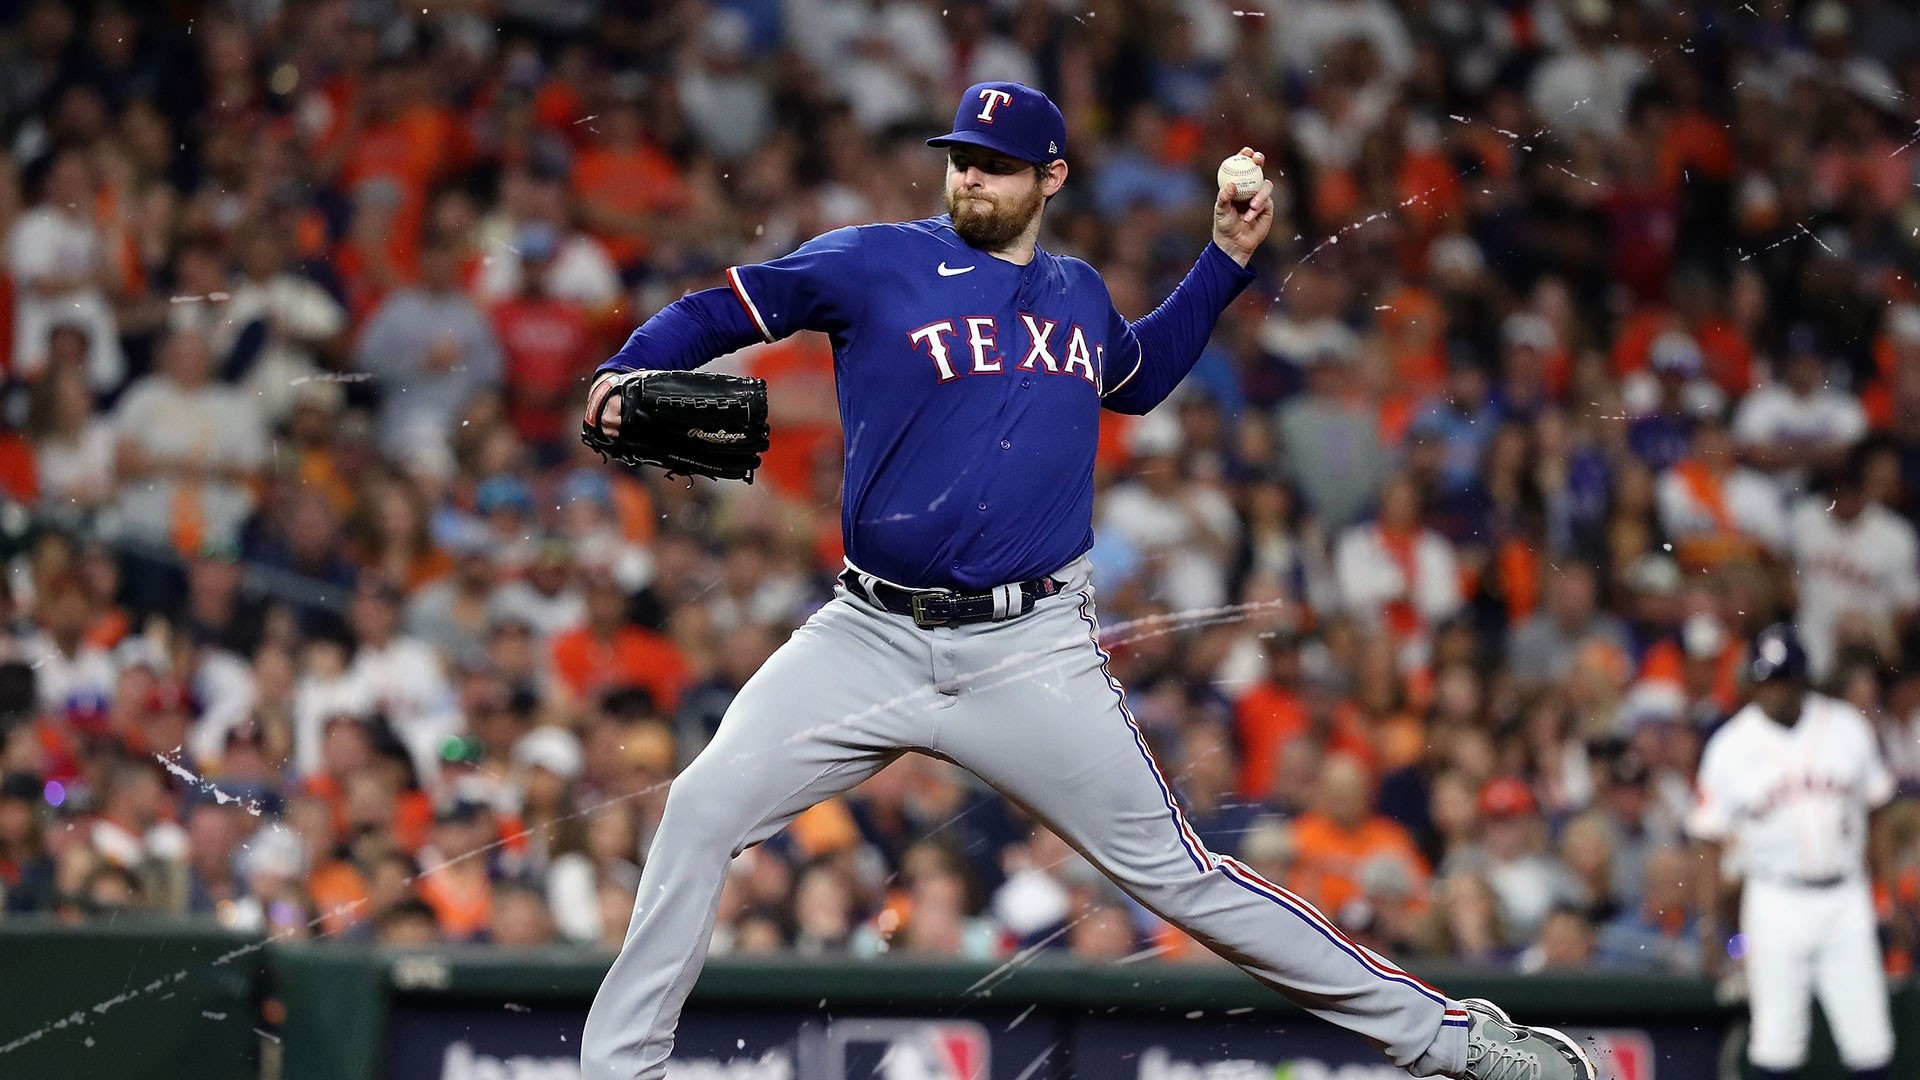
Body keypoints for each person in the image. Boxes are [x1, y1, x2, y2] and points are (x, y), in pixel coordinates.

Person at [576, 82, 1595, 1080]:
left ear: (1051, 176)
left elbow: (1139, 377)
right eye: (961, 160)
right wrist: (625, 369)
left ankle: (1449, 1040)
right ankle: (620, 1072)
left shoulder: (1077, 295)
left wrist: (1227, 261)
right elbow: (726, 308)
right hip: (867, 636)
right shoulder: (874, 259)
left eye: (996, 167)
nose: (970, 179)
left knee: (1181, 878)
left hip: (1030, 650)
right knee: (700, 811)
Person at [1688, 625, 1896, 1080]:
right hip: (1775, 898)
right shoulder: (1729, 746)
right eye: (1766, 681)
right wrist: (1708, 926)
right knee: (1777, 1042)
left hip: (1846, 894)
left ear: (1804, 680)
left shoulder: (1846, 726)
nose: (1774, 692)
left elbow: (1878, 811)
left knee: (1871, 1041)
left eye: (1784, 680)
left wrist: (1889, 895)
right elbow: (1706, 842)